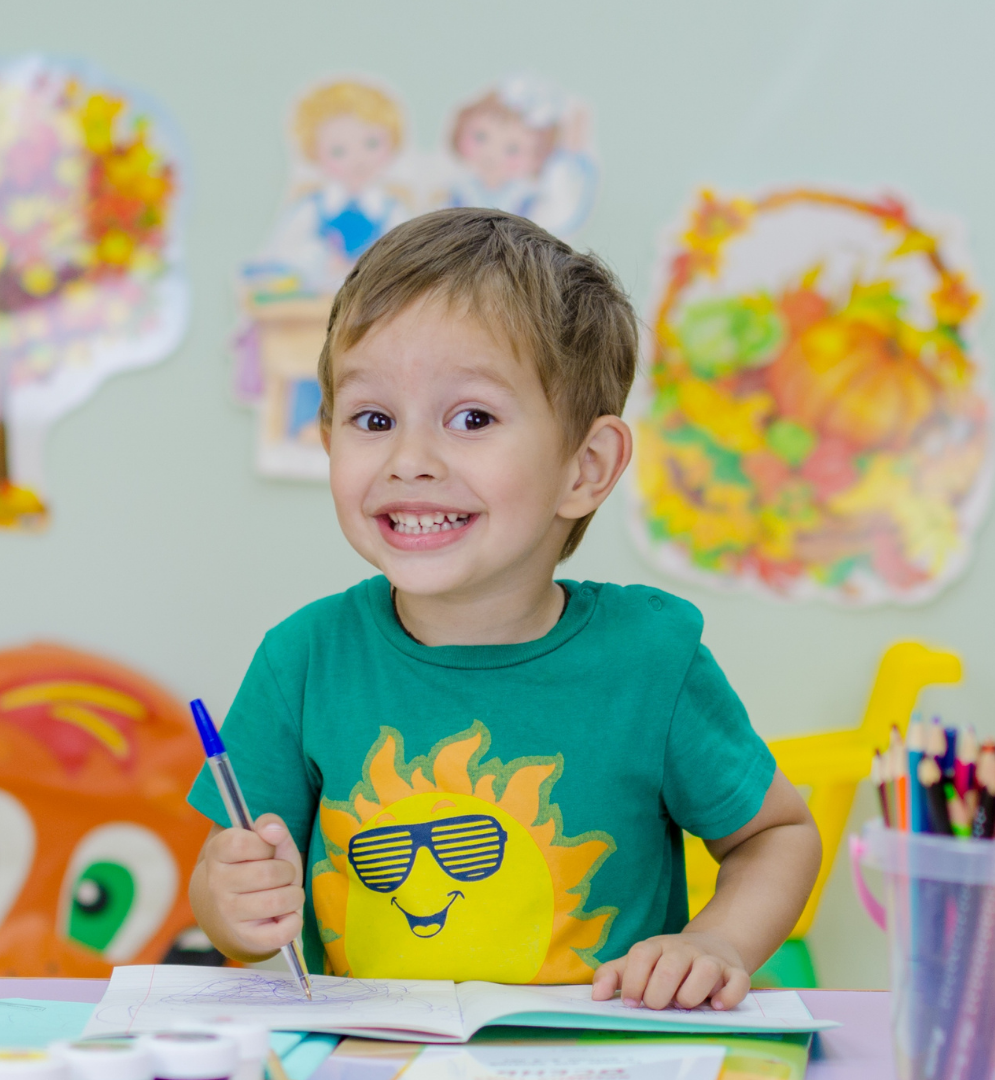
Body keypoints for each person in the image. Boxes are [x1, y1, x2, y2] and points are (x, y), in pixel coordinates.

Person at [188, 209, 820, 1010]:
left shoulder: (652, 662)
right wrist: (234, 907)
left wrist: (716, 939)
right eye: (373, 419)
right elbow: (224, 884)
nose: (409, 461)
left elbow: (775, 834)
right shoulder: (304, 660)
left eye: (473, 419)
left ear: (585, 467)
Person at [256, 80, 412, 294]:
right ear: (314, 153)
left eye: (372, 144)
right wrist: (319, 260)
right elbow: (280, 257)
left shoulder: (392, 211)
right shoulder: (312, 208)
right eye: (339, 151)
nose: (358, 160)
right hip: (316, 311)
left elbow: (410, 260)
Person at [444, 77, 597, 237]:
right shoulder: (459, 191)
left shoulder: (526, 200)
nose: (492, 153)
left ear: (538, 158)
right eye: (480, 136)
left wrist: (572, 149)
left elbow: (563, 218)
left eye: (513, 149)